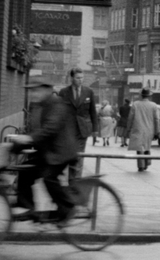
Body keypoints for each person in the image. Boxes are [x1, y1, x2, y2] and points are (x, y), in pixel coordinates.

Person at [9, 80, 80, 224]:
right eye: (31, 91)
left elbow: (50, 128)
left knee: (49, 177)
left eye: (36, 90)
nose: (33, 94)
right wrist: (15, 146)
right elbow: (34, 130)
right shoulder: (37, 106)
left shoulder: (57, 105)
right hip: (47, 152)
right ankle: (29, 208)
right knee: (24, 171)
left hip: (61, 152)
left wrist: (28, 138)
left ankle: (67, 209)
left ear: (48, 90)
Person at [58, 68, 97, 179]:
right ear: (71, 78)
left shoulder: (88, 92)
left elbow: (93, 111)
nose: (80, 80)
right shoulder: (64, 92)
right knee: (70, 156)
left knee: (79, 156)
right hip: (67, 130)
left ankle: (75, 181)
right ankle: (72, 179)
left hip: (82, 129)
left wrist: (95, 129)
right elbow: (58, 112)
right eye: (78, 78)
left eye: (82, 78)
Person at [127, 88, 160, 171]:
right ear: (149, 96)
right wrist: (157, 131)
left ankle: (141, 165)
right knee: (147, 146)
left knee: (139, 147)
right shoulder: (153, 105)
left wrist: (128, 128)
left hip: (138, 128)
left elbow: (130, 118)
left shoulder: (135, 104)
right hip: (149, 129)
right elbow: (156, 119)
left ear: (141, 95)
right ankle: (147, 162)